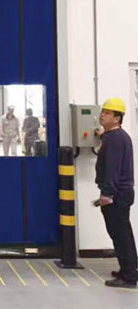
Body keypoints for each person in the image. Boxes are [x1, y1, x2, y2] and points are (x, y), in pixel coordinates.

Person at [95, 98, 138, 289]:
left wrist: (107, 194)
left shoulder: (114, 140)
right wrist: (102, 136)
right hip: (122, 193)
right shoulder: (116, 136)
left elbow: (113, 169)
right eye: (102, 111)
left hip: (116, 195)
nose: (102, 115)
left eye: (107, 112)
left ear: (117, 118)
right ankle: (129, 269)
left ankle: (129, 277)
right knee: (123, 233)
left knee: (120, 235)